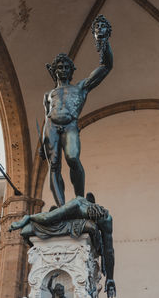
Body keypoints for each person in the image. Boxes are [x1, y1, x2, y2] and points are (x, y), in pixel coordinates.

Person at [40, 14, 113, 206]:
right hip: (51, 126)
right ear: (55, 71)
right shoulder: (49, 93)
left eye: (66, 66)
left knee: (72, 158)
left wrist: (103, 41)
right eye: (60, 67)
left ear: (72, 71)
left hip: (71, 124)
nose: (63, 69)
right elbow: (46, 114)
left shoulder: (80, 87)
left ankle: (79, 199)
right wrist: (41, 145)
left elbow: (106, 66)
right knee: (53, 165)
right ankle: (61, 207)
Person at [9, 193, 116, 297]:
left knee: (91, 227)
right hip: (57, 218)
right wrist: (28, 218)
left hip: (74, 229)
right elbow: (47, 218)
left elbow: (109, 250)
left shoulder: (106, 219)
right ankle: (28, 218)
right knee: (46, 220)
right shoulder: (77, 204)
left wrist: (110, 278)